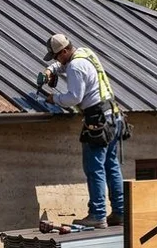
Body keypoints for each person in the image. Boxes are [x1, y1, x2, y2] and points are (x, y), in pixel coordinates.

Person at [40, 33, 124, 229]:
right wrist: (51, 70)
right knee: (111, 166)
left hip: (97, 121)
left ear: (65, 51)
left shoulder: (75, 66)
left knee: (94, 168)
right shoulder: (85, 53)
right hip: (113, 116)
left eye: (56, 56)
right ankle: (120, 212)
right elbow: (64, 66)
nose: (56, 60)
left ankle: (97, 214)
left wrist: (54, 99)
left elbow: (74, 98)